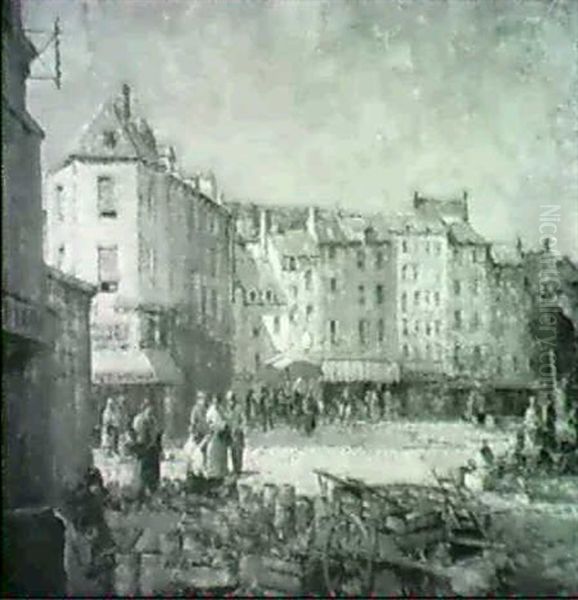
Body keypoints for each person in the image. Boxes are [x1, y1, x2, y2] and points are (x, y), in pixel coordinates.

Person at [132, 399, 162, 501]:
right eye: (148, 408)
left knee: (154, 470)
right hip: (143, 447)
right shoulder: (139, 419)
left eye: (151, 408)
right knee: (143, 470)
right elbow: (136, 433)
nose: (150, 410)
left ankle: (153, 488)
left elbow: (157, 433)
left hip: (153, 448)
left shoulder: (153, 419)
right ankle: (142, 490)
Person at [205, 394, 230, 479]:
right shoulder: (211, 411)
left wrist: (225, 426)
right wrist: (213, 427)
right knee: (213, 453)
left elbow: (226, 419)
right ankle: (213, 472)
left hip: (222, 434)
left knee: (222, 453)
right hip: (214, 434)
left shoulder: (222, 409)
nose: (216, 403)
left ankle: (222, 471)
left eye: (218, 401)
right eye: (215, 401)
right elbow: (208, 422)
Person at [186, 391, 209, 474]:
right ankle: (196, 468)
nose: (203, 400)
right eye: (201, 398)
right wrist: (193, 432)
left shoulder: (208, 408)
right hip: (198, 434)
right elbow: (192, 422)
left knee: (206, 452)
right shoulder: (195, 409)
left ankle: (205, 467)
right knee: (197, 452)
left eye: (204, 398)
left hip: (206, 433)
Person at [227, 390, 246, 476]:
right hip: (230, 434)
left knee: (239, 451)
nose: (230, 402)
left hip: (238, 433)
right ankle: (235, 468)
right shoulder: (227, 409)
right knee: (232, 451)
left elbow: (244, 420)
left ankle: (238, 469)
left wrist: (239, 428)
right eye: (229, 400)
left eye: (231, 399)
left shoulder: (239, 408)